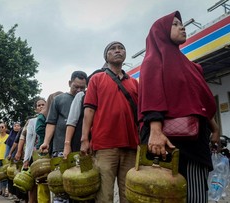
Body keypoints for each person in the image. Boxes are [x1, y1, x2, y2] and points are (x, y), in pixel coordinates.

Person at [138, 11, 220, 203]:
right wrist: (156, 132)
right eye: (175, 24)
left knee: (196, 188)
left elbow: (198, 103)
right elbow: (153, 96)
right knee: (166, 191)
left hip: (195, 137)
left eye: (181, 24)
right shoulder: (153, 60)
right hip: (166, 140)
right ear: (161, 31)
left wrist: (215, 129)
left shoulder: (189, 65)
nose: (182, 27)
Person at [80, 41, 139, 203]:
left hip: (131, 146)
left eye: (121, 48)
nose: (118, 51)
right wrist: (85, 139)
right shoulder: (97, 79)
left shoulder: (133, 83)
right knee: (104, 195)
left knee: (129, 195)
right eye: (113, 49)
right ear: (106, 56)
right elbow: (89, 110)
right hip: (105, 146)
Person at [40, 71, 87, 203]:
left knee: (80, 187)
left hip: (81, 149)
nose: (79, 90)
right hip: (60, 148)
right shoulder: (59, 100)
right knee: (60, 187)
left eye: (82, 88)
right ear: (69, 83)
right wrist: (46, 142)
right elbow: (51, 123)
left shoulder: (88, 98)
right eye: (75, 86)